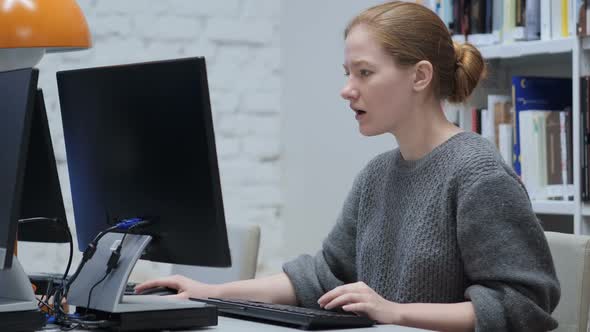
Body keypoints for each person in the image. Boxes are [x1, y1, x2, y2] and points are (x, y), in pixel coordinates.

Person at [136, 2, 560, 331]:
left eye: (364, 73)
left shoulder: (478, 174)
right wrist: (210, 292)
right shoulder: (377, 175)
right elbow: (323, 276)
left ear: (420, 76)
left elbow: (523, 306)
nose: (346, 90)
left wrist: (396, 313)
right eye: (347, 73)